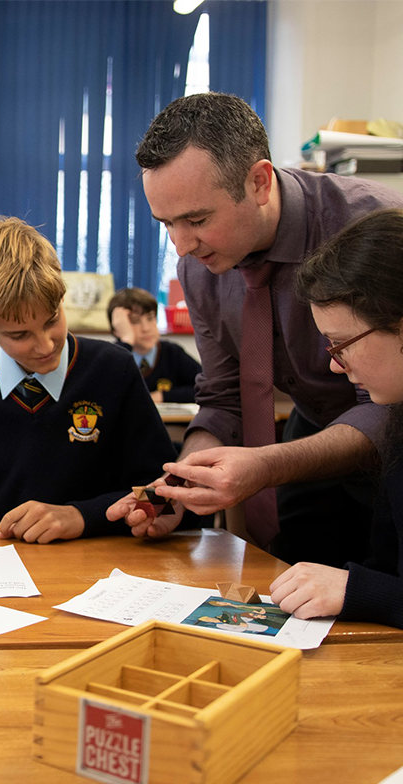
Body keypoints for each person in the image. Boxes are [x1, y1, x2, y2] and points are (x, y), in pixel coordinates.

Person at [107, 92, 403, 567]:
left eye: (197, 220)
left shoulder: (368, 227)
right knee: (292, 587)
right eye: (166, 224)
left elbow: (393, 405)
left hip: (392, 441)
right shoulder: (200, 267)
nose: (181, 246)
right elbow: (224, 395)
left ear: (260, 182)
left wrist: (267, 465)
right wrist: (185, 481)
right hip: (312, 438)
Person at [0, 217, 175, 543]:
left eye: (52, 319)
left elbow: (164, 494)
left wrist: (82, 516)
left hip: (96, 568)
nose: (45, 345)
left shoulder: (115, 370)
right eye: (19, 334)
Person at [270, 209, 403, 628]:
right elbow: (388, 563)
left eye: (342, 344)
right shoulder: (396, 417)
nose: (335, 367)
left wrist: (355, 589)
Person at [107, 287, 201, 403]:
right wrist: (127, 340)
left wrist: (162, 396)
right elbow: (103, 392)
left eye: (150, 318)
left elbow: (207, 387)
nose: (146, 328)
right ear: (117, 328)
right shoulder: (112, 355)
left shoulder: (172, 352)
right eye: (135, 321)